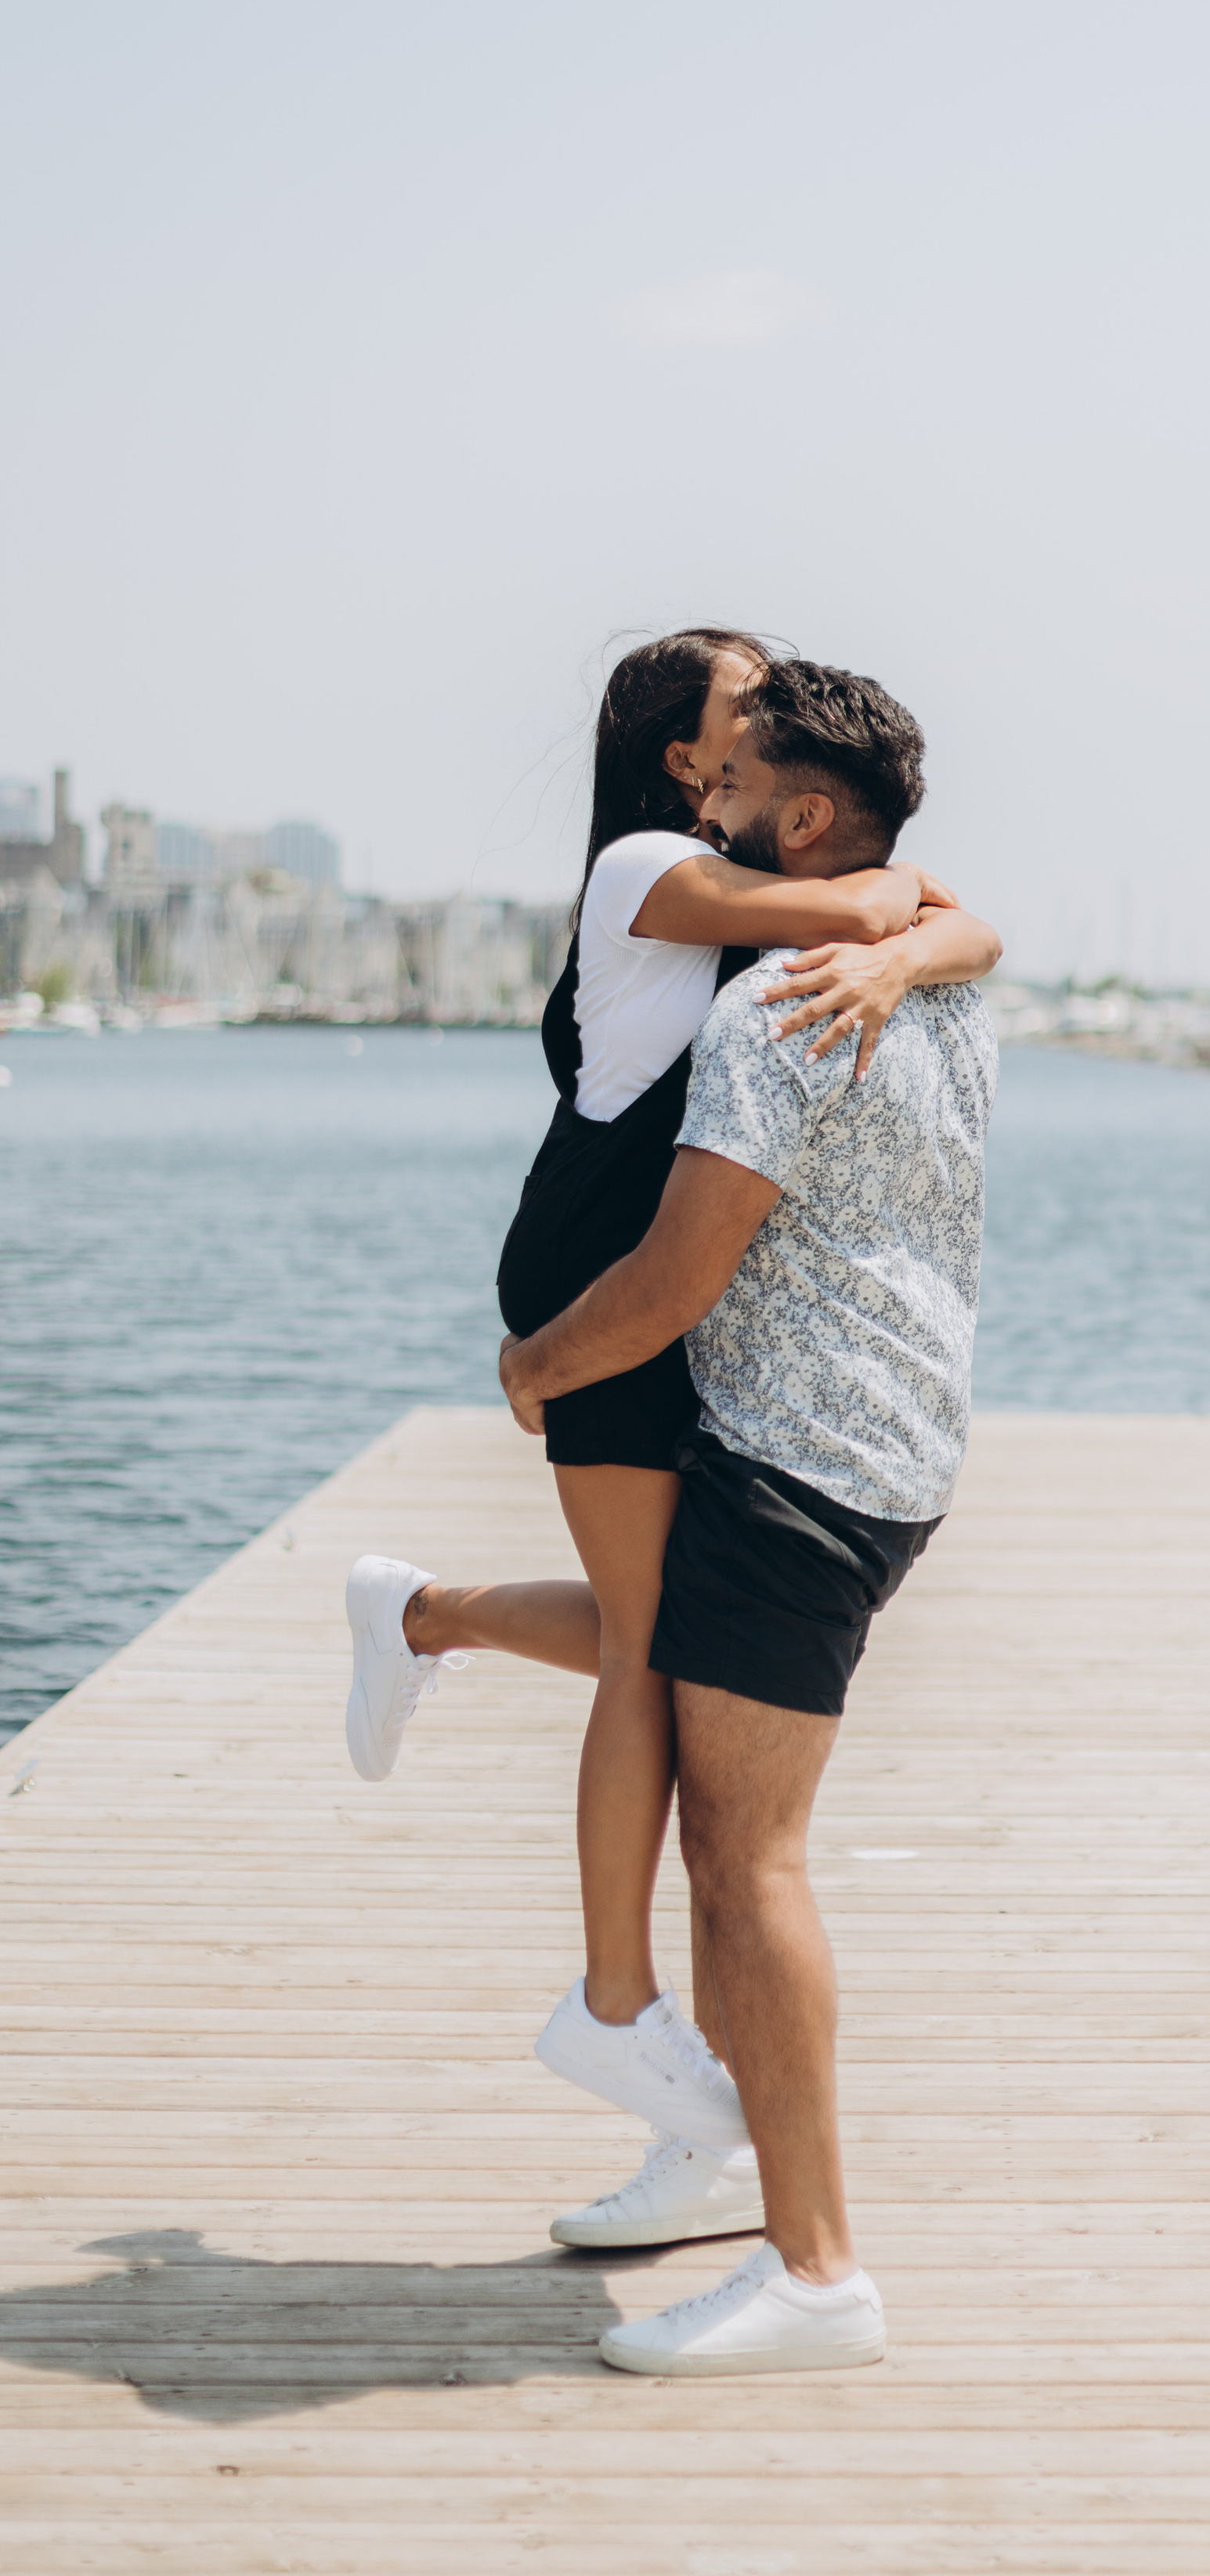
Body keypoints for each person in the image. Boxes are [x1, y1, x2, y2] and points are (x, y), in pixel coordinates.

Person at [343, 627, 999, 2219]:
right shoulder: (648, 861)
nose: (760, 718)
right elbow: (867, 893)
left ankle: (418, 1615)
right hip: (605, 1276)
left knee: (667, 1632)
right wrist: (896, 927)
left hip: (660, 1280)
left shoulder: (738, 877)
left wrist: (916, 941)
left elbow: (936, 912)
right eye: (737, 707)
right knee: (651, 1647)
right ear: (678, 757)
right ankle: (615, 2005)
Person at [497, 659, 998, 2376]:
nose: (701, 806)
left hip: (794, 1467)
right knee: (727, 1837)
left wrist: (535, 1358)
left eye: (736, 788)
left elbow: (670, 1276)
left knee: (749, 1861)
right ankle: (719, 2179)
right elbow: (956, 922)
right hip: (891, 1446)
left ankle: (815, 2274)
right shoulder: (920, 988)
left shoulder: (779, 1005)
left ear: (795, 819)